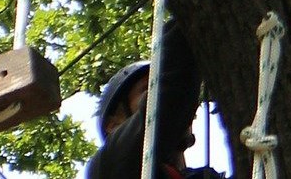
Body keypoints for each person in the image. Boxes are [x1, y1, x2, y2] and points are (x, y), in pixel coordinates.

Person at [85, 21, 224, 179]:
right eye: (147, 88)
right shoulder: (106, 166)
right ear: (113, 125)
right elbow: (171, 95)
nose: (156, 92)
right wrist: (193, 19)